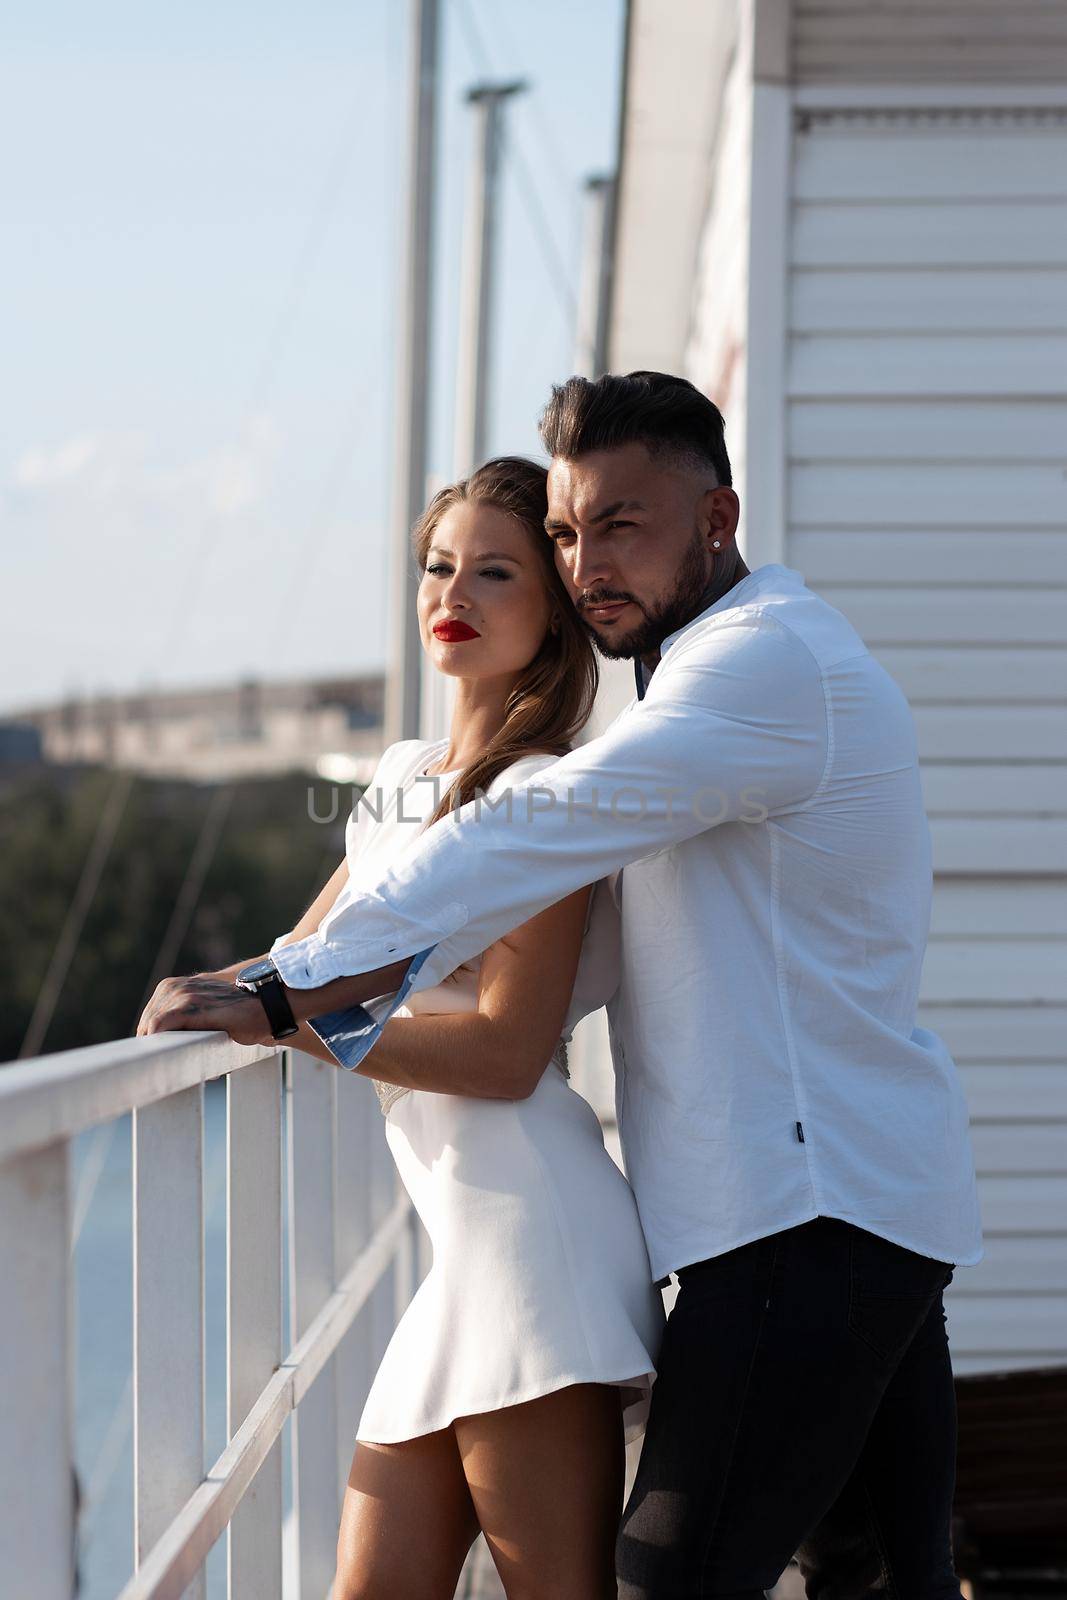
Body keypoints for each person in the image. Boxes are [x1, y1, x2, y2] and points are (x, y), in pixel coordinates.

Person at [142, 372, 983, 1598]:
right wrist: (274, 980)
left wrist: (292, 999)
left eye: (622, 526)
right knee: (877, 1577)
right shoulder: (710, 669)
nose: (590, 561)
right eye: (572, 530)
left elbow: (537, 825)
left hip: (811, 1220)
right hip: (832, 1201)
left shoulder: (756, 668)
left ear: (716, 518)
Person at [143, 457, 663, 1600]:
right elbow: (298, 962)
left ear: (554, 606)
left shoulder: (545, 800)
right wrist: (192, 996)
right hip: (459, 1258)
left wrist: (278, 1024)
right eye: (439, 566)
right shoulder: (393, 779)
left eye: (496, 570)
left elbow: (503, 1051)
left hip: (536, 1248)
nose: (456, 592)